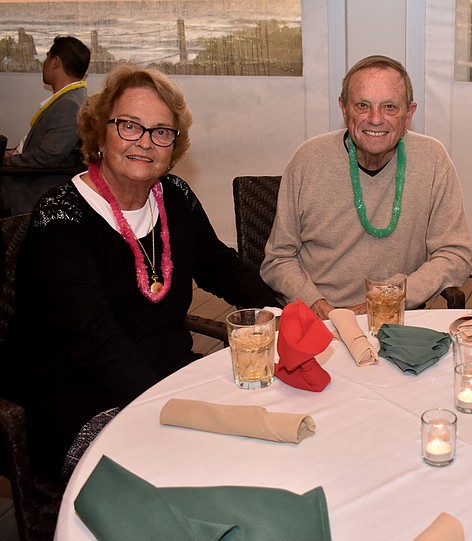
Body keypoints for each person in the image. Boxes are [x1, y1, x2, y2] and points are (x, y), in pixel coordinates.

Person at [0, 64, 280, 480]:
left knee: (260, 442)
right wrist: (169, 407)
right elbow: (95, 339)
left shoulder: (174, 195)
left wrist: (277, 308)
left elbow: (218, 265)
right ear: (100, 132)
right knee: (179, 475)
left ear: (173, 145)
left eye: (161, 131)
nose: (145, 143)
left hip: (163, 376)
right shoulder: (60, 219)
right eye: (129, 126)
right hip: (75, 396)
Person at [261, 55, 472, 319]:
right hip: (316, 318)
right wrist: (322, 308)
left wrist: (392, 299)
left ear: (409, 114)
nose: (375, 119)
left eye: (390, 107)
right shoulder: (308, 160)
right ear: (344, 109)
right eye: (362, 105)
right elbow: (278, 260)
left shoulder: (433, 159)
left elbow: (455, 255)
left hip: (396, 317)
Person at [2, 36, 90, 216]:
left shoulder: (70, 105)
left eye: (47, 57)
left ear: (55, 61)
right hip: (27, 174)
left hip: (30, 187)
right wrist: (15, 152)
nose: (44, 63)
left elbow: (47, 157)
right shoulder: (70, 98)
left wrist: (5, 161)